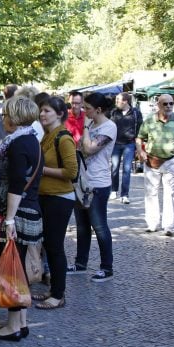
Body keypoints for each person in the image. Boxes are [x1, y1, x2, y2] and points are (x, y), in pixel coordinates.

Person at [0, 96, 43, 341]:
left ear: (16, 117)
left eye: (6, 115)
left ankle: (13, 328)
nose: (3, 119)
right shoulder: (31, 140)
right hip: (30, 211)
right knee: (17, 270)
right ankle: (21, 322)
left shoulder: (18, 145)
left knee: (8, 271)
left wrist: (9, 220)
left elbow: (17, 184)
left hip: (19, 214)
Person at [33, 97, 77, 310]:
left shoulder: (63, 138)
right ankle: (53, 290)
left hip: (60, 198)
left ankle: (58, 295)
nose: (42, 115)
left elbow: (71, 172)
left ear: (59, 114)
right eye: (41, 111)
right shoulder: (47, 136)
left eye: (47, 111)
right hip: (47, 197)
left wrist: (43, 171)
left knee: (55, 246)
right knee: (49, 246)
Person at [68, 93, 117, 281]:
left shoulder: (109, 127)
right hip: (83, 181)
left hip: (98, 183)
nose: (83, 110)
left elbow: (88, 148)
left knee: (99, 226)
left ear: (98, 110)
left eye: (87, 108)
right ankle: (81, 263)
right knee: (81, 226)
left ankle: (107, 267)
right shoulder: (92, 124)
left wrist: (86, 128)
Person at [135, 93, 174, 236]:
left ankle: (169, 226)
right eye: (165, 104)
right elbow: (139, 138)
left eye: (171, 103)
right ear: (158, 105)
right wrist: (140, 151)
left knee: (170, 193)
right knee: (151, 193)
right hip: (152, 161)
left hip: (171, 161)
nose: (169, 106)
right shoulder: (149, 120)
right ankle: (152, 224)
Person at [110, 92, 143, 204]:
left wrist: (138, 145)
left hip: (129, 144)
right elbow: (110, 127)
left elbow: (140, 128)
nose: (116, 102)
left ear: (125, 101)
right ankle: (114, 190)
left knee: (127, 170)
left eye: (118, 100)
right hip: (116, 144)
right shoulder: (114, 112)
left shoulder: (136, 113)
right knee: (114, 168)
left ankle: (125, 195)